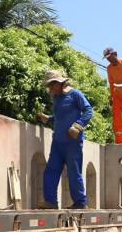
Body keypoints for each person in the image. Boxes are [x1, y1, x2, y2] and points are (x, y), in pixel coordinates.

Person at [37, 69, 93, 209]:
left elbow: (88, 111)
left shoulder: (75, 94)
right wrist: (49, 118)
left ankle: (80, 203)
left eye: (51, 85)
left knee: (74, 172)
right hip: (58, 142)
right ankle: (51, 202)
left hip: (72, 142)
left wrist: (78, 125)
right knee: (51, 170)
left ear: (58, 83)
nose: (49, 88)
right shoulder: (56, 98)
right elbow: (61, 117)